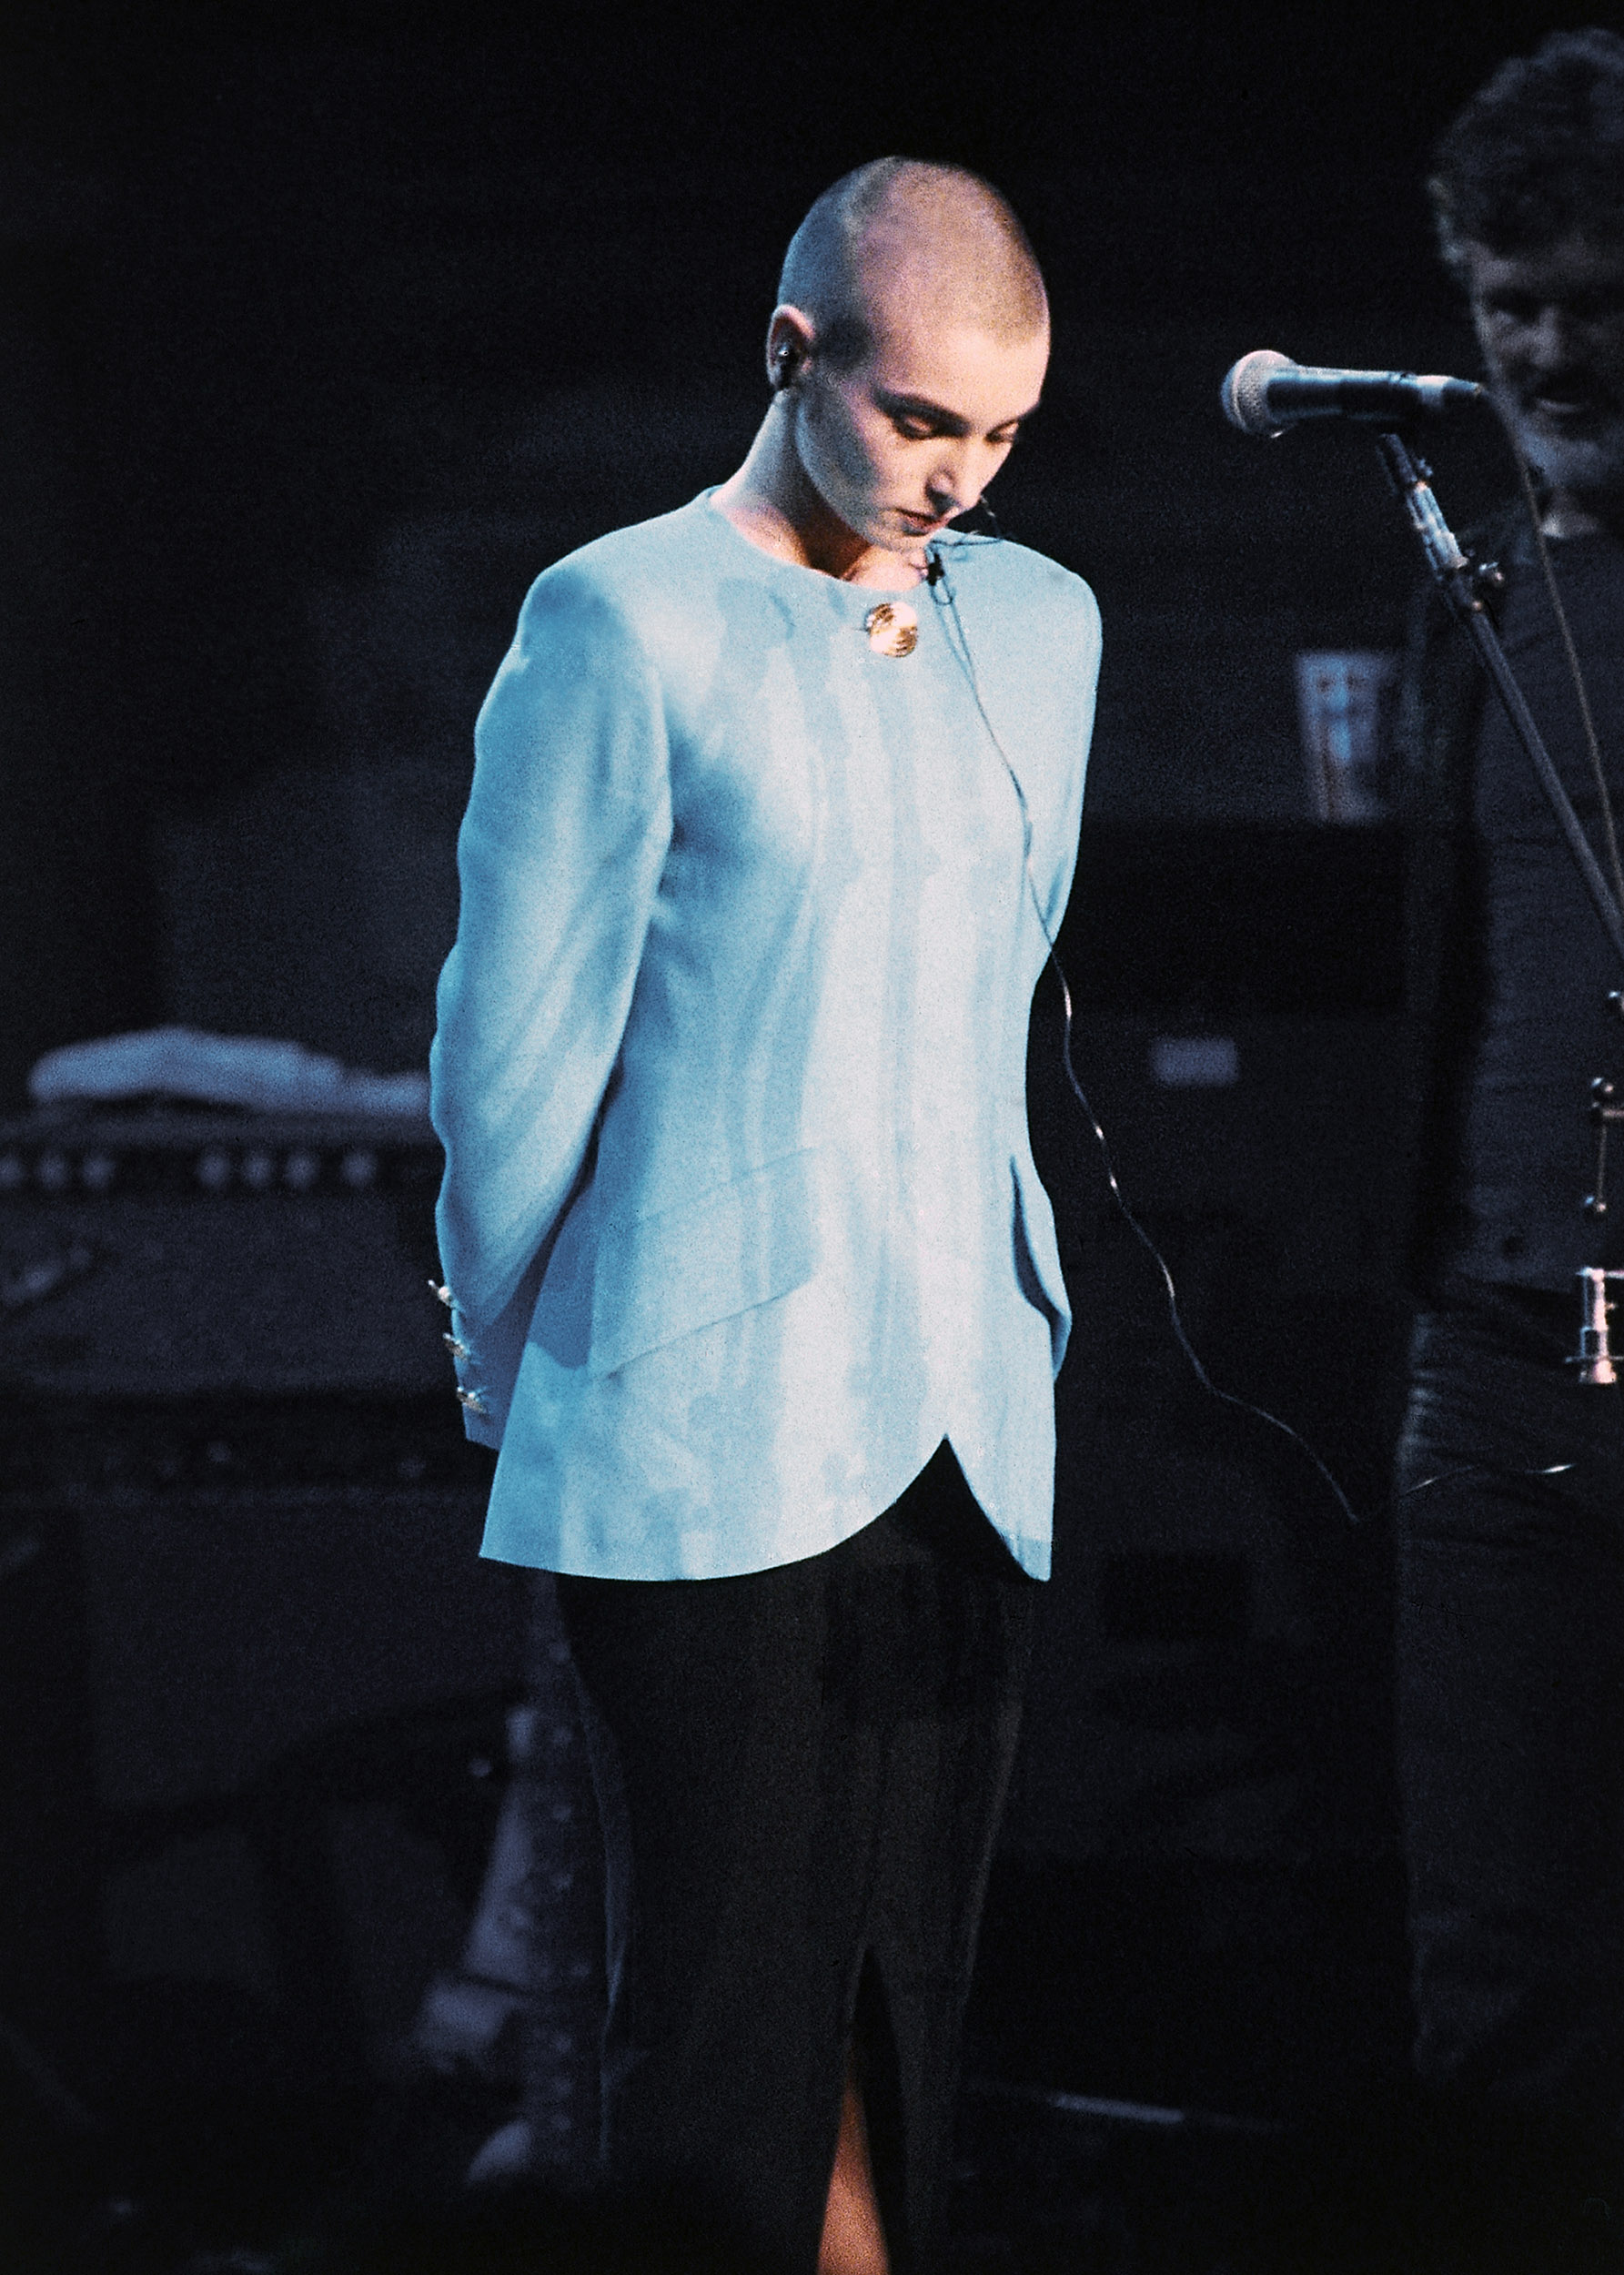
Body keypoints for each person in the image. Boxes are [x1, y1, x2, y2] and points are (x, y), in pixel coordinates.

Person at [429, 159, 1100, 2274]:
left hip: (961, 1406)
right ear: (792, 354)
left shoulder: (1049, 622)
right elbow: (515, 1041)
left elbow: (1002, 980)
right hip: (698, 1413)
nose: (960, 480)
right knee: (720, 2026)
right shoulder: (618, 613)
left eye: (1001, 435)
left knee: (918, 2006)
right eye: (922, 422)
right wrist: (510, 1366)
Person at [1394, 27, 1624, 2259]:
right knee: (1496, 1982)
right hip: (1490, 1367)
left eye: (1593, 298)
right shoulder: (1476, 586)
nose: (1546, 346)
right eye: (1507, 300)